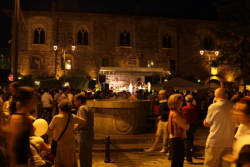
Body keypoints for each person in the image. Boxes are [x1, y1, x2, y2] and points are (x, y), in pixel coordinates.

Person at [49, 99, 86, 167]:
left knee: (59, 162)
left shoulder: (56, 117)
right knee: (70, 161)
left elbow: (50, 128)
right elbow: (83, 121)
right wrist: (76, 128)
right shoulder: (72, 117)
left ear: (60, 108)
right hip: (70, 143)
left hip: (60, 143)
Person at [8, 86, 39, 167]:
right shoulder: (18, 118)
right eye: (33, 97)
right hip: (19, 163)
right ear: (28, 100)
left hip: (24, 161)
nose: (35, 100)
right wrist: (13, 163)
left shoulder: (25, 117)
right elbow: (12, 144)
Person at [203, 88, 235, 167]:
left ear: (215, 96)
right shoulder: (233, 106)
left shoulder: (213, 106)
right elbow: (236, 126)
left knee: (211, 164)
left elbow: (206, 123)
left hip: (215, 141)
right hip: (229, 142)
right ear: (226, 95)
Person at [168, 93, 189, 167]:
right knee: (178, 162)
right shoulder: (175, 114)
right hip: (177, 140)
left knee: (177, 161)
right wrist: (186, 124)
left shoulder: (174, 112)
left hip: (176, 139)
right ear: (176, 102)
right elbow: (185, 126)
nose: (182, 103)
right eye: (181, 101)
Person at [74, 94, 93, 167]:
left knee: (83, 153)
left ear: (79, 101)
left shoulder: (82, 108)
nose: (74, 103)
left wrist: (75, 129)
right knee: (88, 153)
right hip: (89, 132)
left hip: (84, 133)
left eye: (75, 101)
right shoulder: (88, 107)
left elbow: (83, 122)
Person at [182, 94, 198, 163]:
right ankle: (190, 153)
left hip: (187, 125)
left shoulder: (185, 108)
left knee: (186, 142)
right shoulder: (194, 108)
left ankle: (188, 157)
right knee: (190, 140)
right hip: (193, 125)